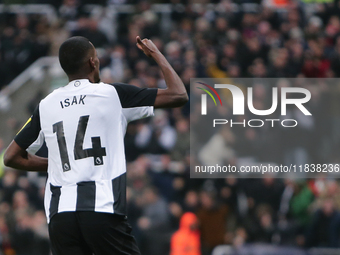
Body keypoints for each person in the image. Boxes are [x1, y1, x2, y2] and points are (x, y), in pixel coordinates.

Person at [3, 35, 188, 255]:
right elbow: (178, 94)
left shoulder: (46, 104)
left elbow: (11, 157)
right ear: (92, 62)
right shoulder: (112, 94)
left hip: (60, 215)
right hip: (101, 208)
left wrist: (54, 164)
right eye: (97, 58)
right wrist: (156, 54)